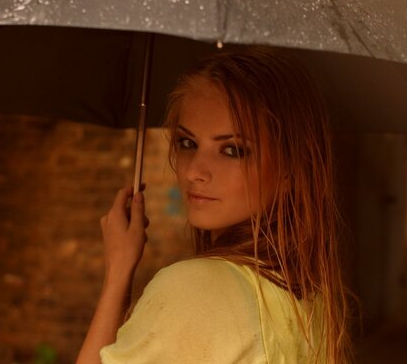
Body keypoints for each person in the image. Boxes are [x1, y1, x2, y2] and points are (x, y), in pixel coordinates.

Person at [76, 48, 353, 363]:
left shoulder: (195, 288)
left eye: (232, 150)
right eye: (188, 143)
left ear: (290, 167)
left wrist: (118, 271)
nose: (194, 171)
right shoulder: (310, 299)